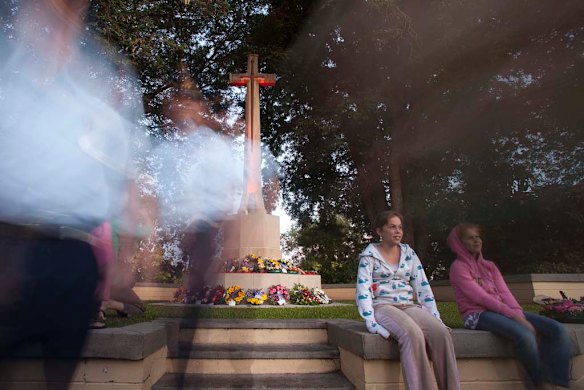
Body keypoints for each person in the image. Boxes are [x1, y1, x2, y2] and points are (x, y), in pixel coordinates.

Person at [447, 223, 571, 389]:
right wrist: (517, 319)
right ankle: (539, 383)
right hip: (477, 314)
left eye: (478, 237)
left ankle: (558, 383)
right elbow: (482, 298)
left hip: (505, 311)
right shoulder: (458, 268)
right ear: (460, 243)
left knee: (557, 329)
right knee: (525, 335)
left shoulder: (489, 266)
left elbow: (505, 293)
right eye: (470, 237)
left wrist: (518, 313)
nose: (477, 241)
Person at [356, 210, 460, 390]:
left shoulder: (409, 254)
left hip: (409, 305)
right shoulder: (369, 256)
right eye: (392, 227)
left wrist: (433, 315)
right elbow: (363, 289)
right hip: (383, 306)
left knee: (441, 332)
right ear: (380, 231)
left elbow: (422, 286)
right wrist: (371, 322)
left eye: (400, 227)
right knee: (412, 333)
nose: (398, 231)